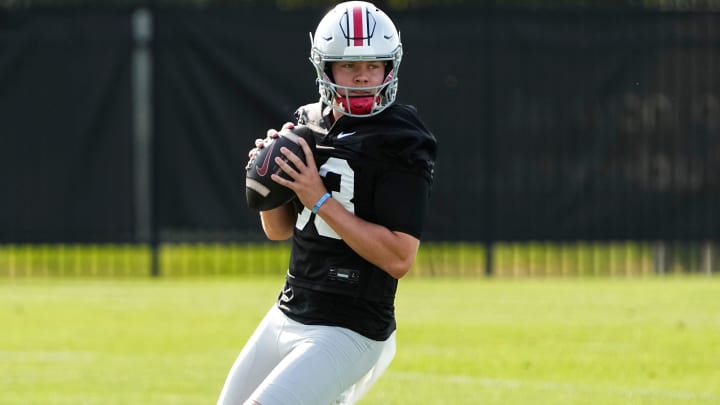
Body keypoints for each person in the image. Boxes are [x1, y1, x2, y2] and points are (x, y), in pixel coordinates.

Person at [217, 2, 437, 404]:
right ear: (325, 68)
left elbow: (400, 258)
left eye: (373, 65)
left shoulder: (402, 140)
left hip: (349, 326)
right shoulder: (309, 122)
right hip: (289, 309)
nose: (362, 77)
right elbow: (277, 230)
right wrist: (270, 177)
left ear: (390, 67)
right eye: (348, 66)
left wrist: (318, 199)